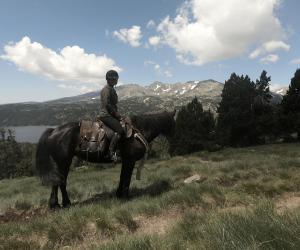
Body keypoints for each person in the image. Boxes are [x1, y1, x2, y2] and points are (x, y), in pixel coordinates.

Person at [99, 70, 123, 162]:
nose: (117, 80)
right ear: (111, 79)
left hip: (110, 114)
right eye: (116, 79)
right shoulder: (106, 90)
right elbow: (107, 105)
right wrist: (117, 115)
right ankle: (111, 152)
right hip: (106, 115)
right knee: (120, 130)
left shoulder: (111, 89)